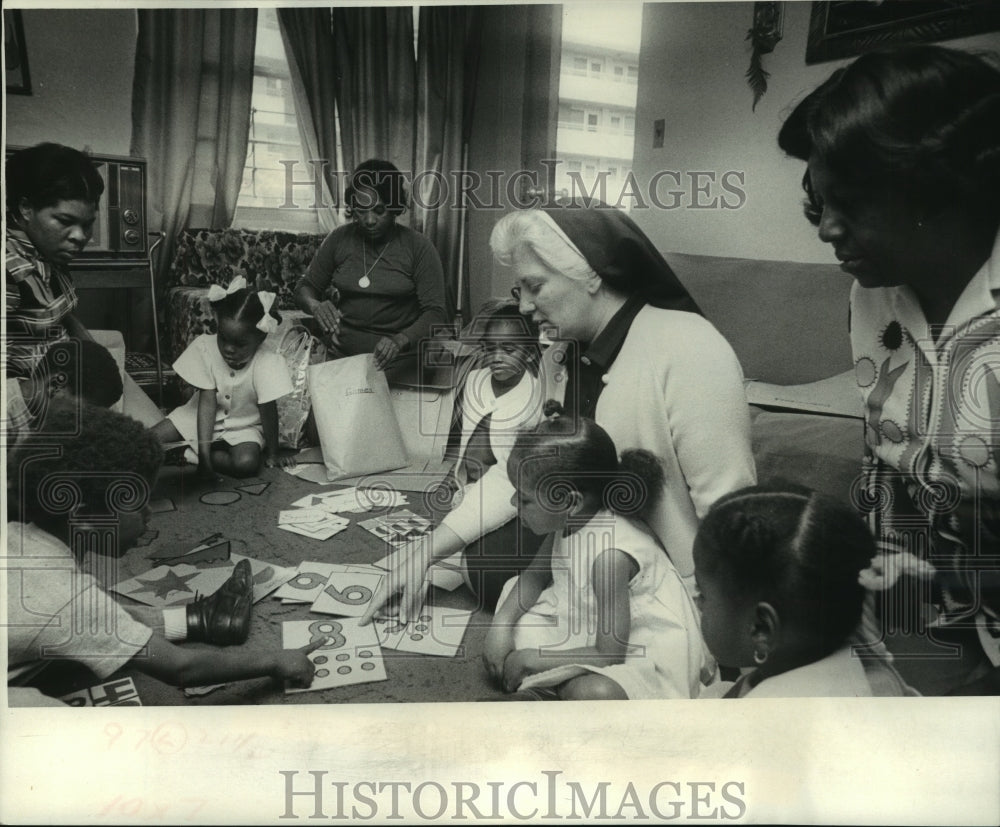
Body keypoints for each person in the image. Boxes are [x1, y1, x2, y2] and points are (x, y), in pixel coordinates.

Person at [362, 201, 756, 624]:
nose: (526, 307)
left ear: (590, 275)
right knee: (484, 559)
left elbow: (730, 513)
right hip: (588, 540)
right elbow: (522, 467)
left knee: (499, 572)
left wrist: (722, 625)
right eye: (520, 291)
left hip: (662, 573)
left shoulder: (690, 346)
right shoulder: (557, 357)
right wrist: (426, 551)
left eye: (535, 286)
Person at [778, 45, 1000, 695]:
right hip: (924, 608)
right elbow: (887, 458)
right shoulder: (873, 292)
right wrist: (905, 622)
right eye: (821, 202)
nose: (827, 229)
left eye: (850, 202)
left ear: (941, 184)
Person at [7, 401, 319, 705]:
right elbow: (180, 668)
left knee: (93, 619)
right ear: (86, 515)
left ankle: (202, 619)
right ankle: (201, 620)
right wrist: (274, 659)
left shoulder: (16, 535)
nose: (148, 514)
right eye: (136, 502)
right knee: (42, 714)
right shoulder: (70, 597)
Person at [484, 414, 709, 700]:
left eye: (524, 498)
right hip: (587, 621)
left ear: (570, 502)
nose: (514, 503)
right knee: (514, 605)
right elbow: (534, 576)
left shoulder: (610, 557)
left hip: (637, 650)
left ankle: (553, 690)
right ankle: (555, 686)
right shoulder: (568, 521)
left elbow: (610, 653)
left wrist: (531, 659)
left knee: (596, 692)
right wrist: (500, 625)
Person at [693, 484, 912, 697]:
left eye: (703, 594)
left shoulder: (755, 724)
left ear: (761, 628)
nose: (697, 602)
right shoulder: (870, 670)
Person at [4, 143, 160, 426]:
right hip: (33, 398)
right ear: (26, 207)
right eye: (65, 221)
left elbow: (65, 317)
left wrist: (97, 358)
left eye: (87, 225)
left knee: (151, 428)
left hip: (67, 376)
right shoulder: (9, 268)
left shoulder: (49, 256)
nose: (80, 236)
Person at [294, 159, 448, 370]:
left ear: (395, 207)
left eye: (379, 210)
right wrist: (315, 305)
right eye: (361, 210)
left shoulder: (419, 247)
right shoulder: (339, 239)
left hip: (399, 363)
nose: (369, 220)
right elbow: (304, 287)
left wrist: (399, 341)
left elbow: (436, 313)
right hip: (343, 359)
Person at [150, 276, 295, 478]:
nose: (228, 349)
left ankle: (185, 453)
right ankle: (199, 453)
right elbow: (207, 404)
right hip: (198, 417)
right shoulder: (205, 348)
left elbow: (268, 411)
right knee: (150, 439)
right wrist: (205, 458)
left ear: (260, 338)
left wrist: (272, 454)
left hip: (244, 426)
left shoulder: (267, 361)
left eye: (239, 344)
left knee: (246, 464)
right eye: (223, 338)